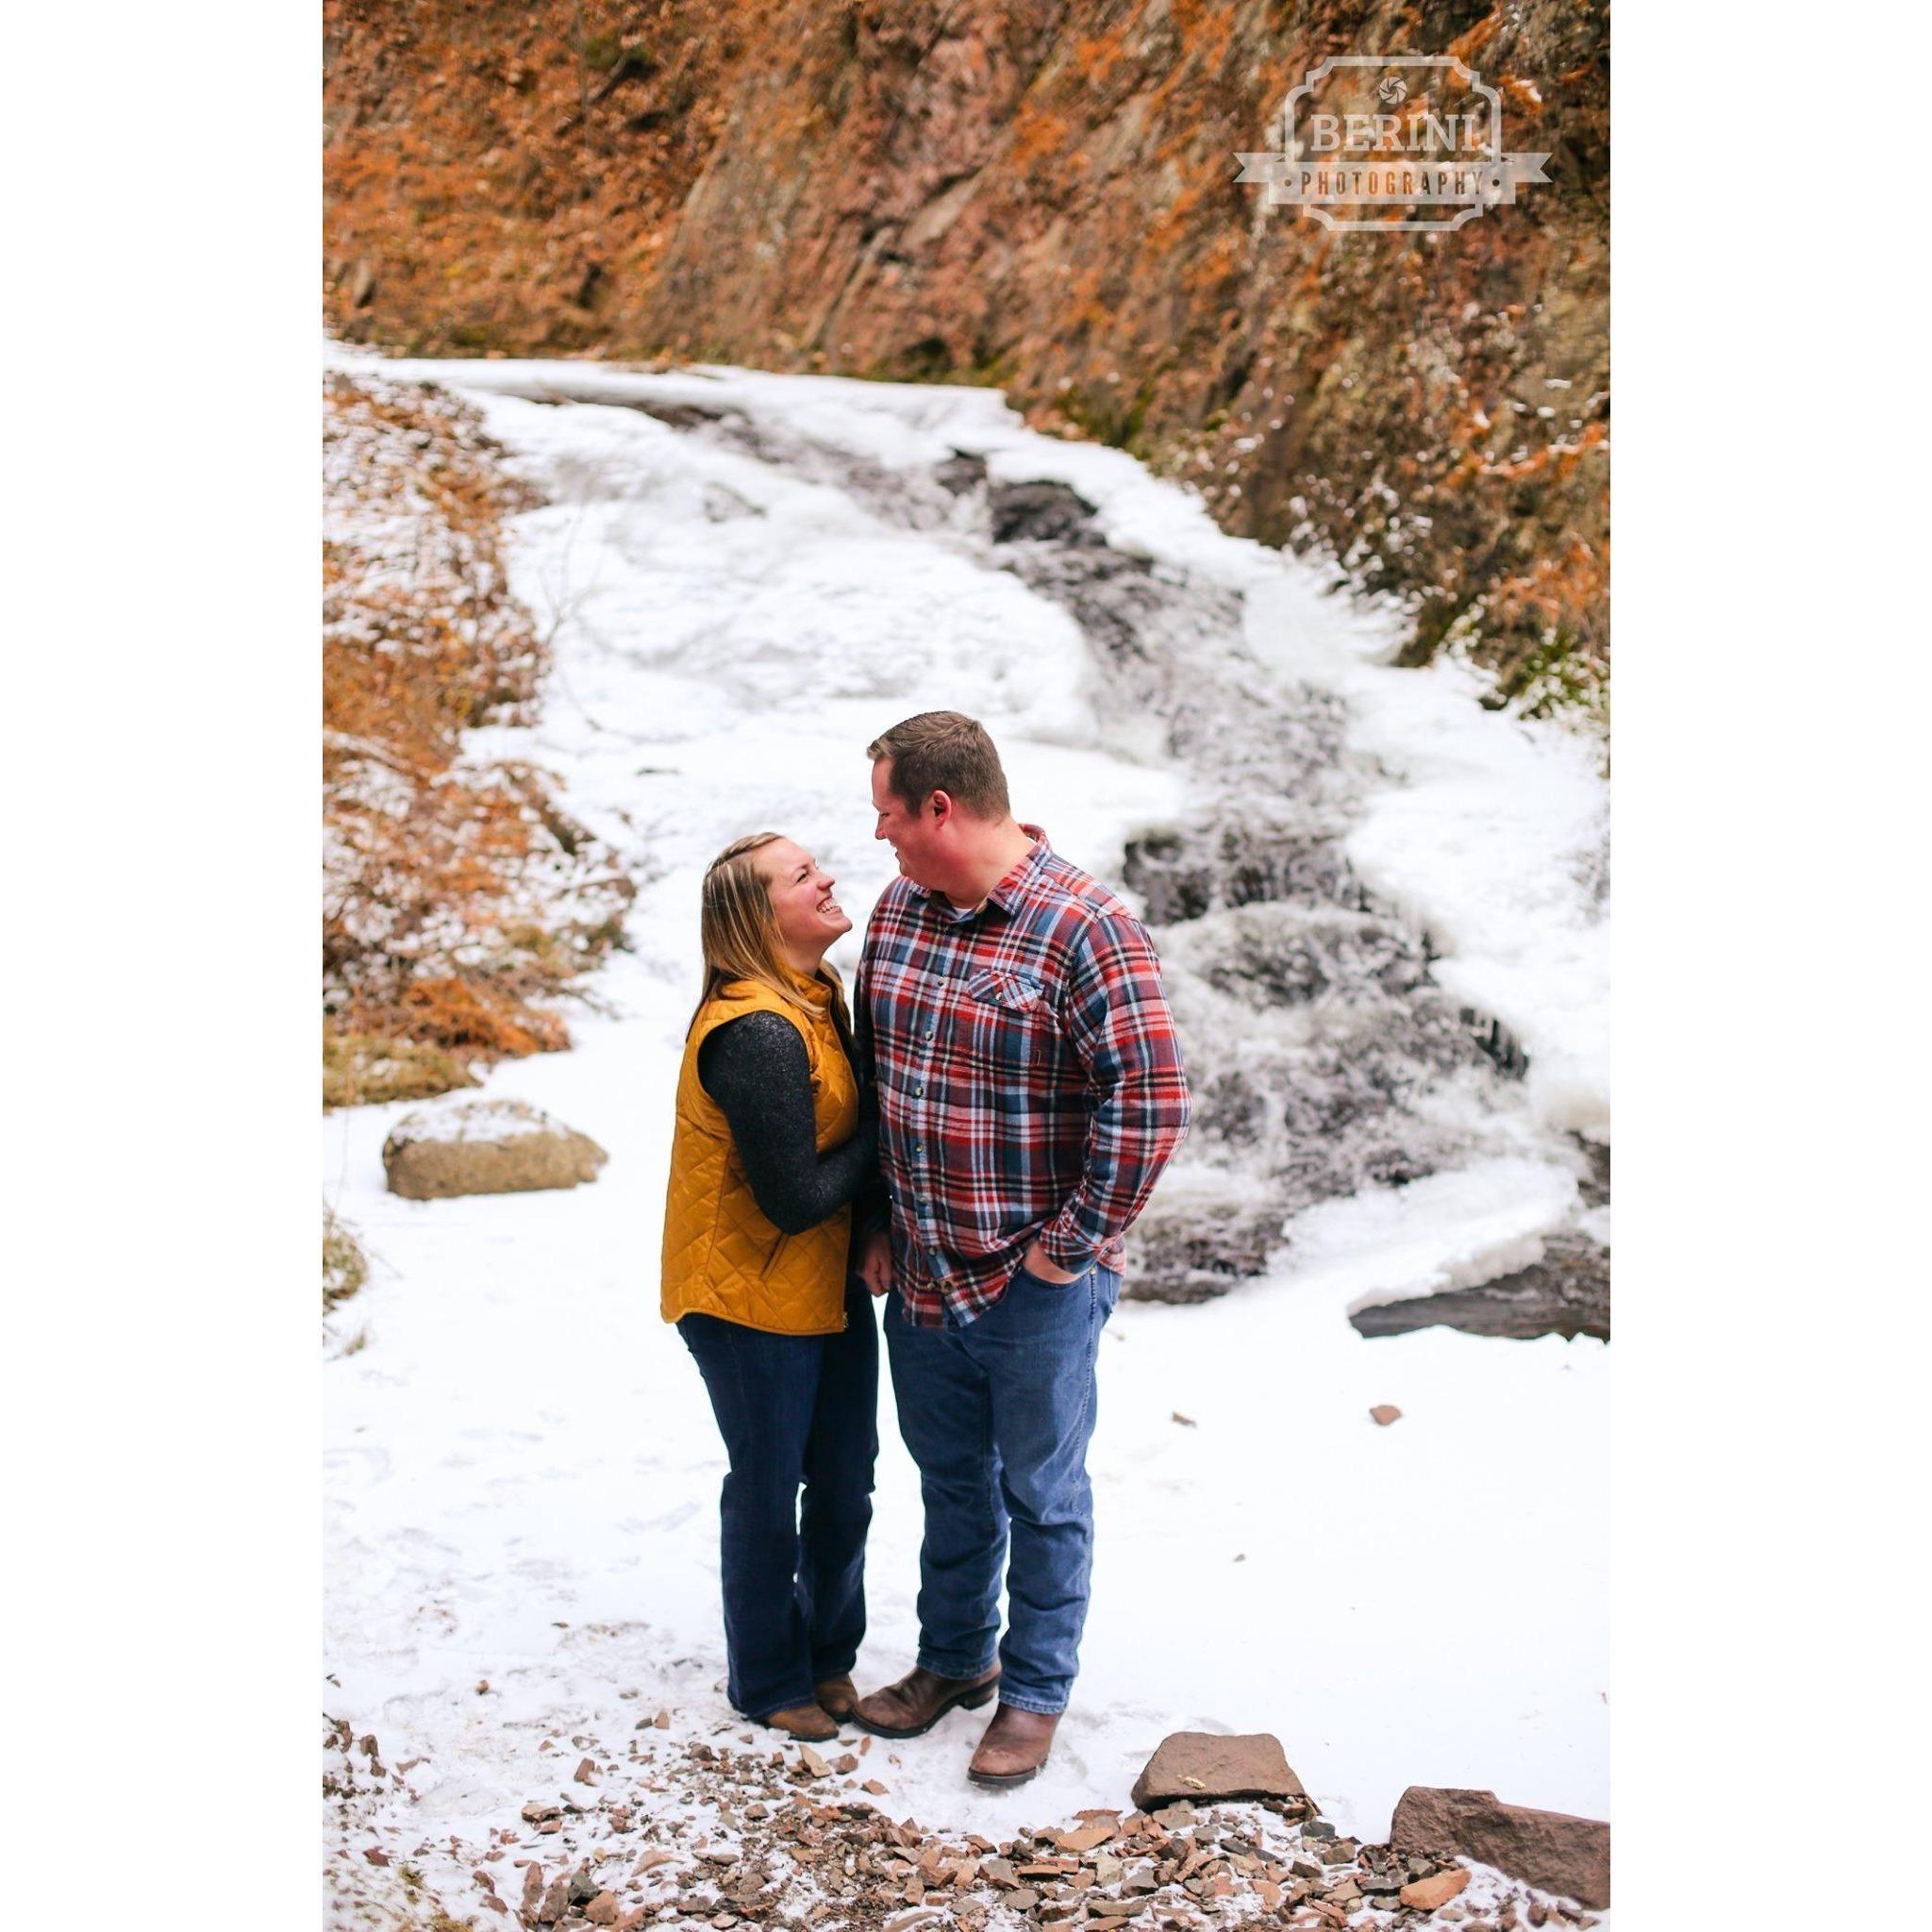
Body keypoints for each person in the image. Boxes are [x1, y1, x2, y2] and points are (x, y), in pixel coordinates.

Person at [848, 712, 1191, 1786]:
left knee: (1042, 1494)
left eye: (888, 814)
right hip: (920, 1272)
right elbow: (876, 1082)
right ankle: (956, 1658)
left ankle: (1035, 1693)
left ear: (939, 808)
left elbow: (1150, 1100)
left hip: (1033, 1285)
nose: (878, 835)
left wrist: (1069, 1249)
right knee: (950, 1480)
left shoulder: (1087, 926)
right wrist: (876, 1219)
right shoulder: (898, 912)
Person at [660, 831, 882, 1742]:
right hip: (743, 1297)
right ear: (759, 919)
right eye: (802, 876)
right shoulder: (756, 1031)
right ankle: (767, 1677)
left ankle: (828, 1657)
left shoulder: (817, 993)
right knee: (767, 1487)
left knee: (847, 1480)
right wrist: (896, 1129)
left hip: (821, 1281)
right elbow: (793, 1201)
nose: (826, 878)